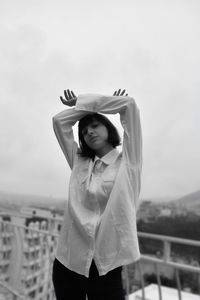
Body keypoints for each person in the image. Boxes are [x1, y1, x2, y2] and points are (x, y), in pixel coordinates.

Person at [52, 89, 142, 300]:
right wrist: (83, 109)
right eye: (84, 131)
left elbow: (128, 105)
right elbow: (59, 122)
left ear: (108, 128)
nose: (89, 132)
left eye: (95, 126)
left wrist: (90, 104)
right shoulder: (80, 163)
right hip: (68, 260)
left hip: (105, 266)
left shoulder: (129, 164)